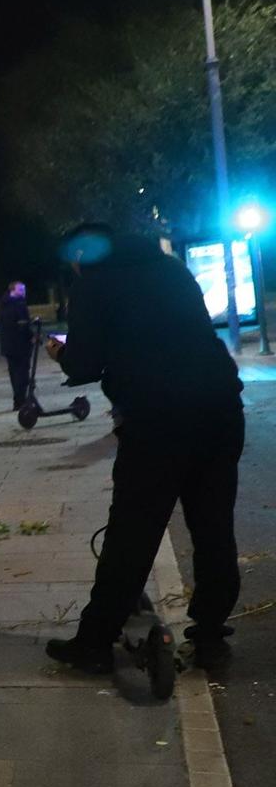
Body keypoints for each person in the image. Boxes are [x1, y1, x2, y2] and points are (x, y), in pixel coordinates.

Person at [43, 224, 244, 674]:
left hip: (156, 420)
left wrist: (61, 354)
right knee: (214, 528)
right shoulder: (171, 270)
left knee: (132, 535)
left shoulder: (93, 284)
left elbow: (86, 362)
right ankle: (211, 637)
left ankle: (95, 643)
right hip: (220, 409)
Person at [0, 281, 34, 410]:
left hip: (8, 346)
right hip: (21, 345)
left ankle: (17, 401)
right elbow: (24, 325)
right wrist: (32, 336)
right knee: (22, 373)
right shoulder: (19, 304)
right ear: (13, 290)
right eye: (21, 289)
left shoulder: (2, 305)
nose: (24, 292)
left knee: (14, 373)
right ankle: (21, 400)